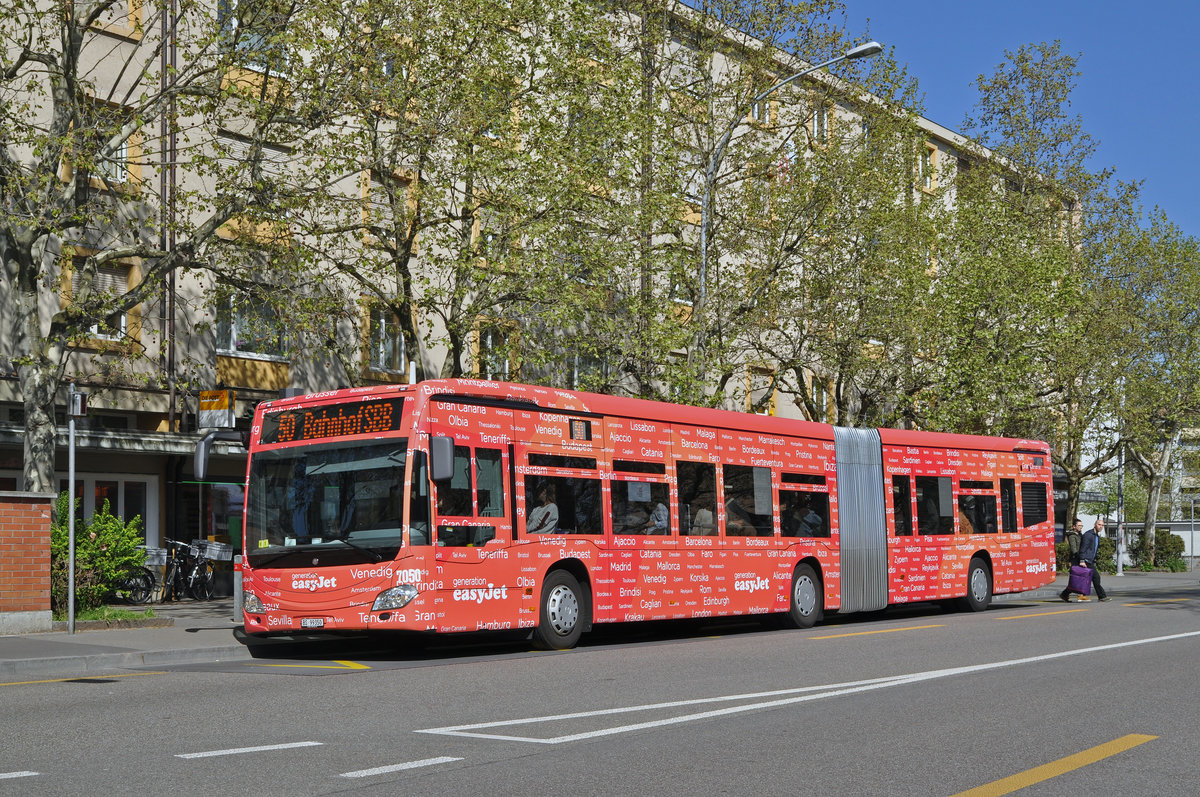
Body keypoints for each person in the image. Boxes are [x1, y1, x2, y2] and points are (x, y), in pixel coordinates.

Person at [1062, 518, 1110, 602]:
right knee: (1096, 578)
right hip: (1086, 561)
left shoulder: (1096, 536)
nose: (1101, 526)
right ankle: (1102, 596)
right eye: (1099, 524)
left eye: (1102, 525)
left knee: (1079, 581)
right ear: (1095, 525)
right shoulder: (1089, 535)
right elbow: (1083, 549)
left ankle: (1065, 594)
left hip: (1089, 560)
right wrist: (1082, 560)